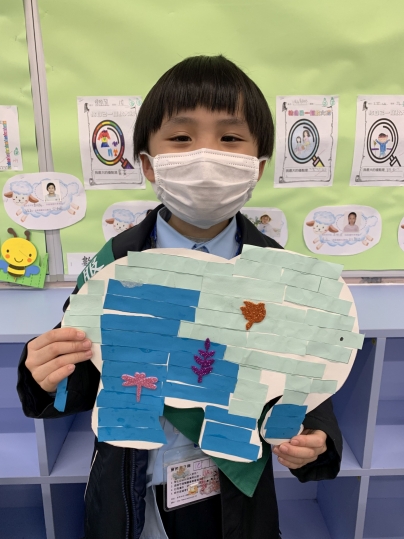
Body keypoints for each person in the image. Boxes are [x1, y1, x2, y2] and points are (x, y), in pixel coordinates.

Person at [17, 55, 342, 539]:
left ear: (256, 167)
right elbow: (82, 374)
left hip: (233, 498)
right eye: (182, 137)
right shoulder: (113, 265)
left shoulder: (282, 277)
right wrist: (45, 376)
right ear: (149, 164)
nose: (206, 156)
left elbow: (304, 369)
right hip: (133, 494)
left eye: (229, 138)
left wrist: (316, 436)